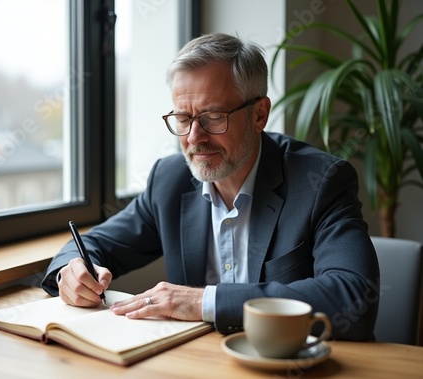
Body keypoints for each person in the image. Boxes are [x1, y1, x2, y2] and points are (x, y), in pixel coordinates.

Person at [42, 32, 379, 341]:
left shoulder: (320, 181)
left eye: (213, 117)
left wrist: (204, 301)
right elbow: (95, 244)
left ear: (259, 114)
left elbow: (353, 296)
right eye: (183, 118)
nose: (193, 138)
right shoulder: (169, 180)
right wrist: (70, 273)